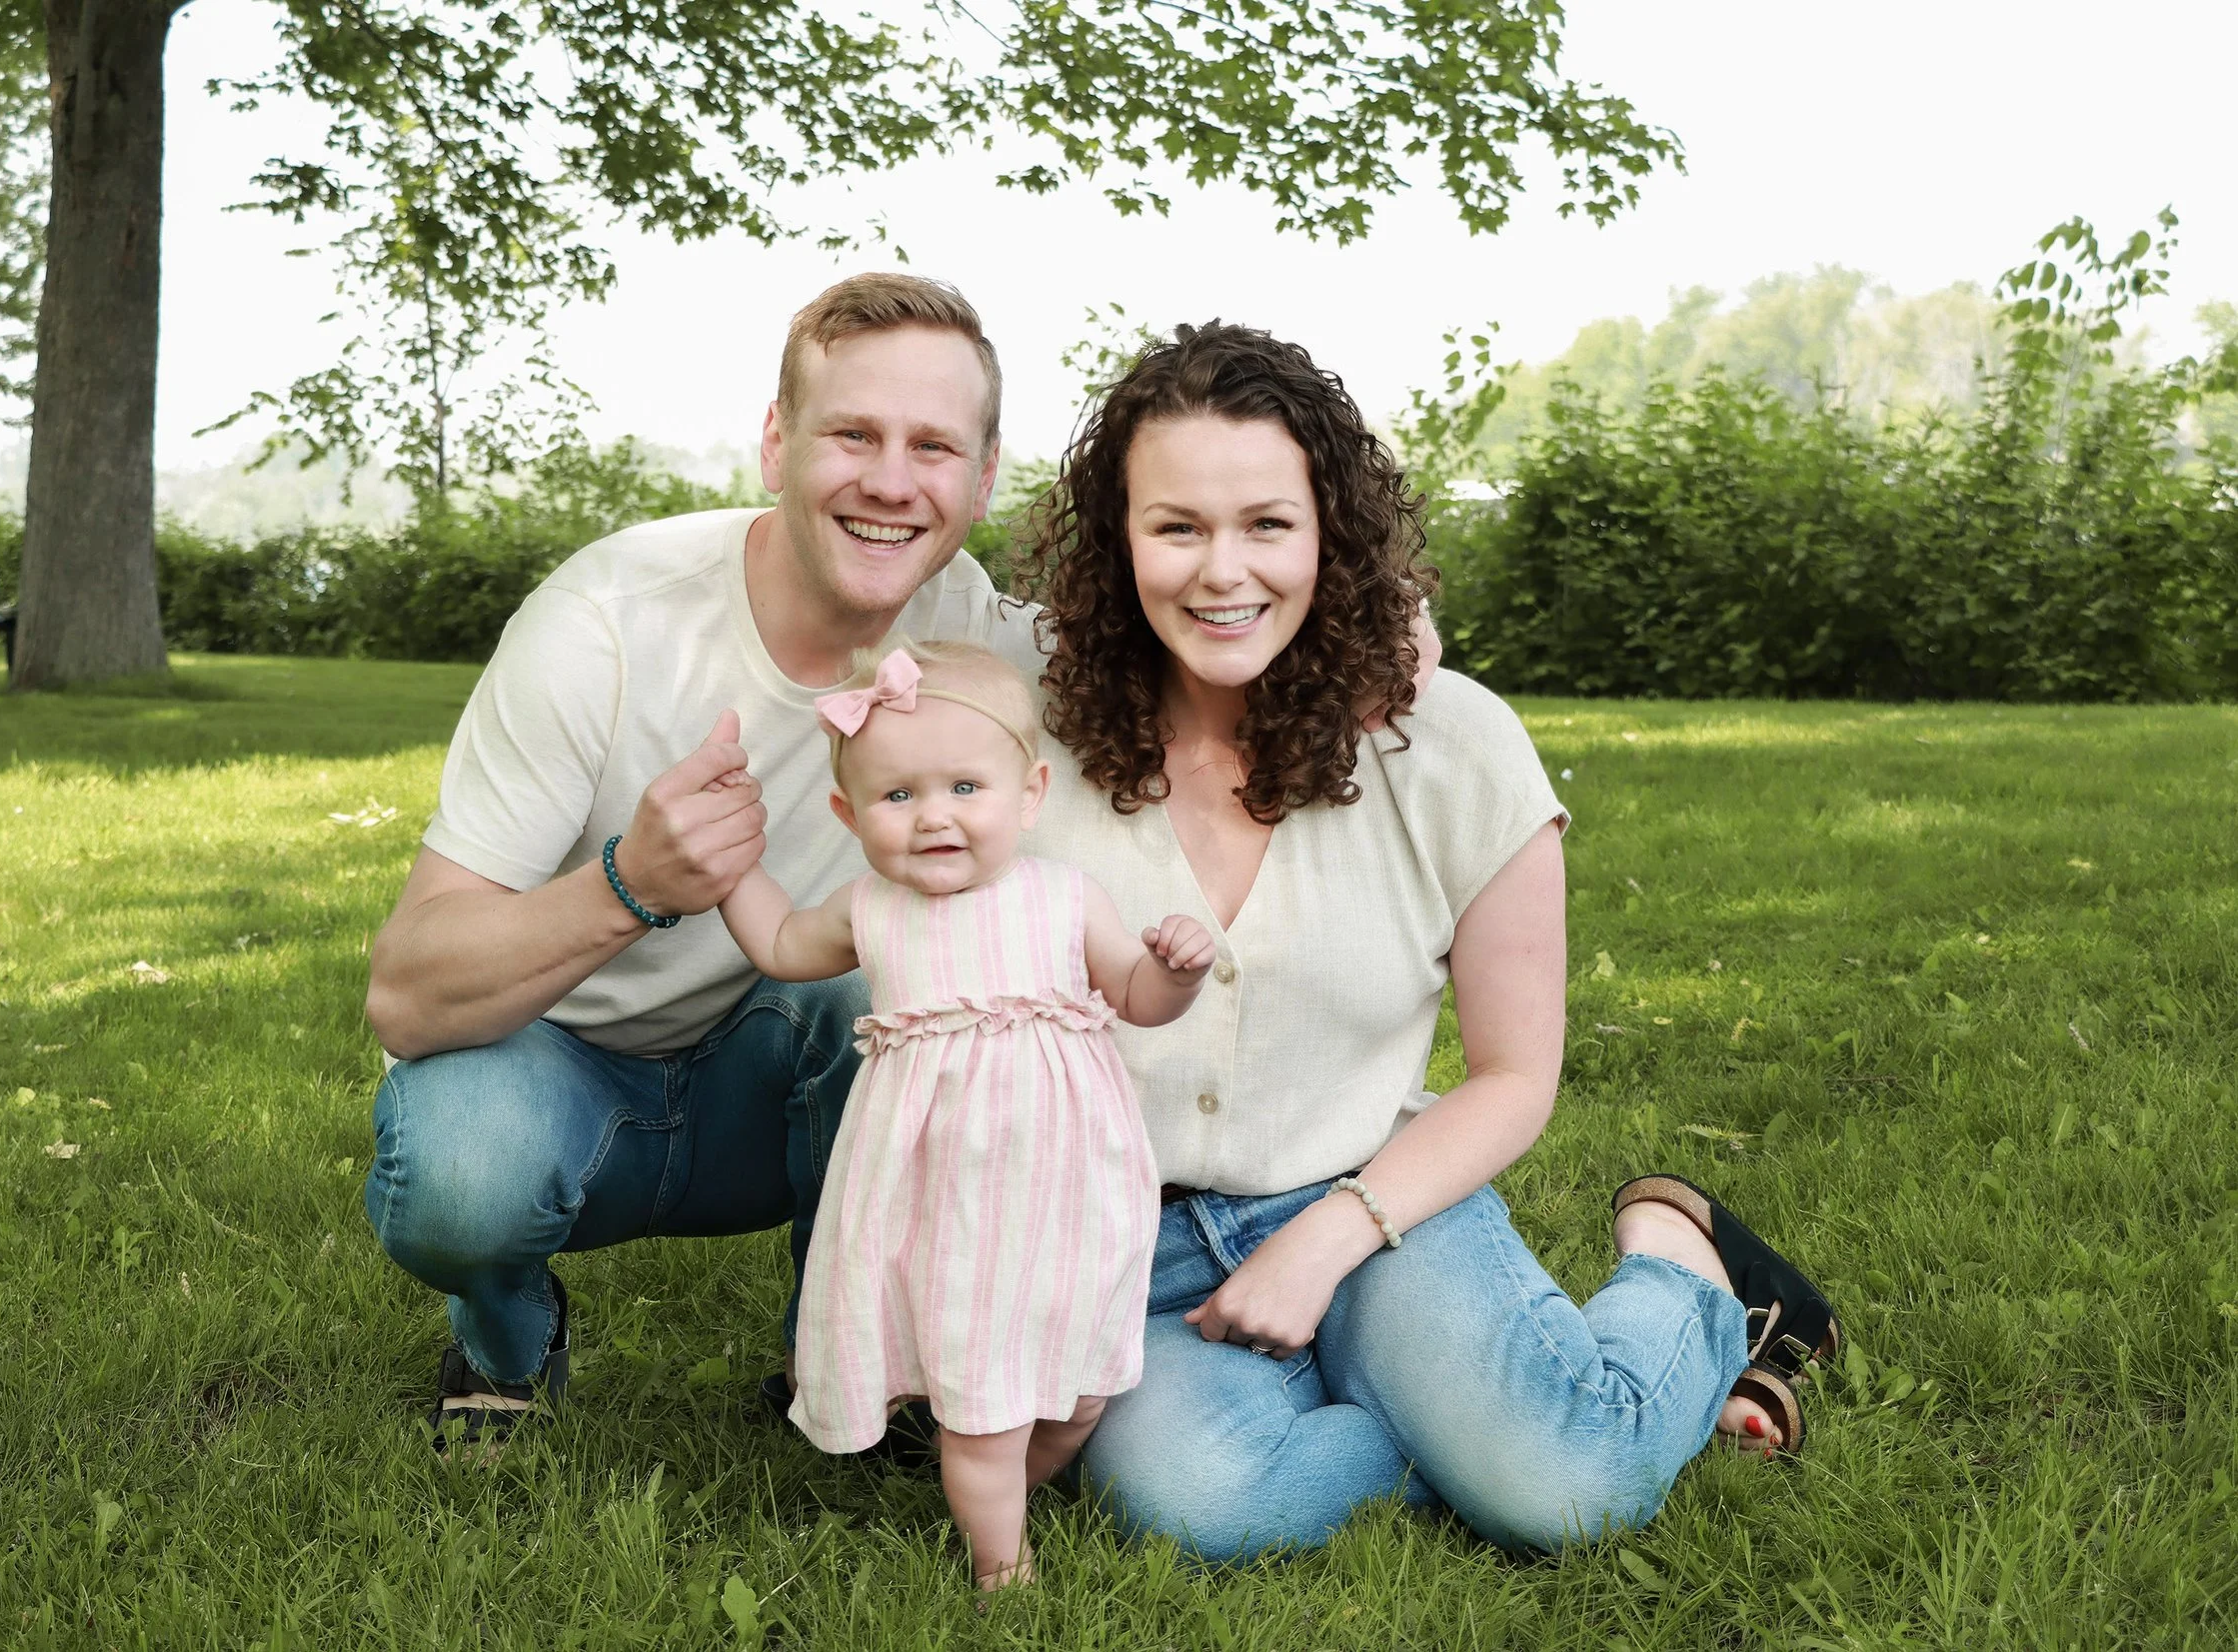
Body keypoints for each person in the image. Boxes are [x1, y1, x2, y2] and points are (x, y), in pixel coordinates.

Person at [1015, 321, 1842, 1558]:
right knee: (1203, 1507)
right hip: (1125, 1257)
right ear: (1117, 540)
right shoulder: (1020, 726)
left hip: (1374, 1204)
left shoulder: (1446, 743)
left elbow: (1514, 1074)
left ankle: (1691, 1271)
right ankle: (1463, 1413)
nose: (1219, 570)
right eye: (1175, 526)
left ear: (1328, 536)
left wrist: (1326, 1241)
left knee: (1569, 1495)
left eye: (1267, 524)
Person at [361, 273, 1032, 1449]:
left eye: (933, 446)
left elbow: (1202, 634)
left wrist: (1393, 628)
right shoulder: (608, 618)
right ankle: (507, 1340)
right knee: (462, 1175)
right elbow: (406, 995)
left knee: (897, 965)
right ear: (777, 443)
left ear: (981, 479)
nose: (890, 480)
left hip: (781, 1074)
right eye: (852, 435)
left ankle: (834, 1364)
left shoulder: (974, 630)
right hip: (562, 1067)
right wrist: (631, 886)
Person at [718, 639, 1216, 1589]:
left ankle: (1004, 1481)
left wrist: (1176, 971)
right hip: (942, 1198)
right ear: (848, 813)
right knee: (982, 1397)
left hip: (1068, 1194)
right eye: (898, 796)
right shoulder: (871, 907)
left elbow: (1137, 995)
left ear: (1029, 794)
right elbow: (781, 943)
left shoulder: (1065, 897)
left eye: (964, 788)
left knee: (1080, 1391)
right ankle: (1003, 1561)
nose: (934, 817)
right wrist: (728, 870)